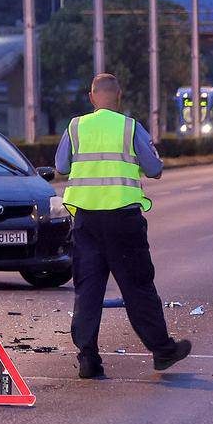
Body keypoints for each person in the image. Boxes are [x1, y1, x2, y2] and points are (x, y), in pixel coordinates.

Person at [55, 73, 192, 379]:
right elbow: (154, 168)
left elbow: (62, 166)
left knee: (88, 291)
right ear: (119, 97)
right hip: (122, 221)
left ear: (92, 98)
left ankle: (88, 359)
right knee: (138, 287)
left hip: (86, 221)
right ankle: (162, 350)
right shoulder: (130, 127)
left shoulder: (75, 127)